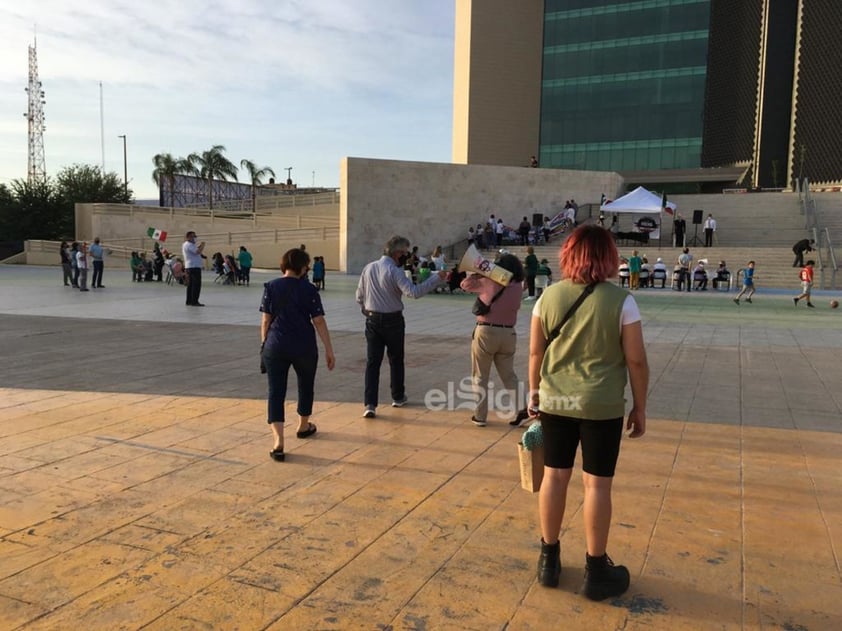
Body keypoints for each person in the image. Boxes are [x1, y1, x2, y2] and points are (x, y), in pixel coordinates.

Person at [529, 224, 648, 601]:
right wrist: (640, 407)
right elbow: (636, 360)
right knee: (596, 484)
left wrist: (534, 394)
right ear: (609, 257)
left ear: (568, 255)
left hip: (556, 402)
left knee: (555, 476)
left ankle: (549, 560)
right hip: (601, 405)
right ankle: (596, 570)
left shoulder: (547, 297)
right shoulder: (623, 301)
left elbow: (535, 354)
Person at [356, 236, 446, 418]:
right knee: (396, 359)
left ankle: (370, 404)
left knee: (372, 362)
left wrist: (368, 312)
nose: (407, 256)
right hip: (393, 321)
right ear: (397, 253)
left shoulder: (369, 268)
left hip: (372, 320)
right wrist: (436, 280)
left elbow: (359, 296)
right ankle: (397, 396)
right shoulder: (394, 271)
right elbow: (413, 292)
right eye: (405, 252)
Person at [260, 248, 335, 462]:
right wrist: (329, 349)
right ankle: (303, 426)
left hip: (276, 345)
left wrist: (264, 344)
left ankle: (278, 441)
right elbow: (318, 320)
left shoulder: (271, 287)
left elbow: (266, 320)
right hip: (304, 346)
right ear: (303, 267)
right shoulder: (309, 289)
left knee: (276, 391)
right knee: (305, 384)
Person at [460, 253, 526, 426]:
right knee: (509, 375)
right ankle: (522, 409)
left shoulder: (489, 282)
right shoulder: (519, 286)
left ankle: (480, 416)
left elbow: (464, 285)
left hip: (487, 332)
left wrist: (478, 273)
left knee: (480, 376)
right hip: (509, 334)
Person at [182, 231, 206, 306]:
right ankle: (194, 301)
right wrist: (202, 245)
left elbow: (196, 251)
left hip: (190, 267)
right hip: (194, 267)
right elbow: (197, 252)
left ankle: (189, 301)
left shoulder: (188, 245)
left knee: (191, 285)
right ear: (189, 237)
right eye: (193, 236)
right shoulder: (189, 245)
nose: (195, 238)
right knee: (196, 284)